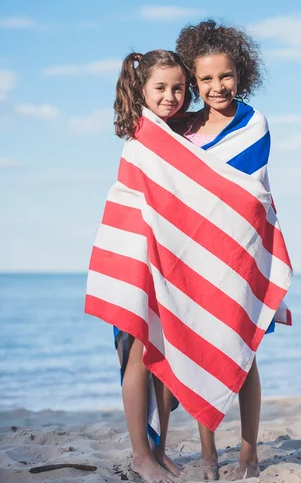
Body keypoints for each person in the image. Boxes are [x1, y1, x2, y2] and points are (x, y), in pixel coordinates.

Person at [175, 20, 290, 481]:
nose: (216, 86)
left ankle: (247, 451)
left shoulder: (253, 123)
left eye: (225, 76)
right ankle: (207, 452)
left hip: (241, 255)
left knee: (244, 355)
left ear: (240, 73)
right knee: (199, 353)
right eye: (205, 79)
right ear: (193, 80)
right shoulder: (182, 129)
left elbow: (247, 195)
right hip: (194, 252)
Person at [110, 50, 191, 483]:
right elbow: (135, 201)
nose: (171, 96)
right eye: (160, 88)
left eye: (178, 87)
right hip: (139, 259)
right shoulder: (142, 135)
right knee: (139, 355)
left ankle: (159, 449)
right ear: (141, 90)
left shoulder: (176, 135)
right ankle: (141, 454)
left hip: (170, 260)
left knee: (166, 355)